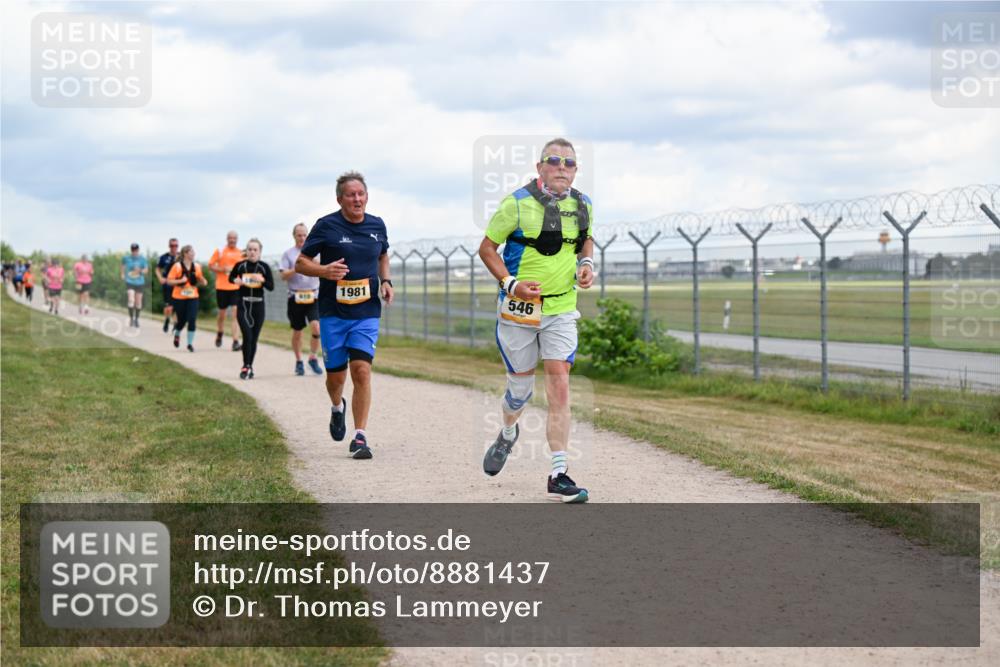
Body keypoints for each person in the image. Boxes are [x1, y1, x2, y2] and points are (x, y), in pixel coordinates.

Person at [477, 137, 595, 503]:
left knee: (559, 384)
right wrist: (511, 284)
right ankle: (508, 432)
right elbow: (487, 248)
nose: (562, 167)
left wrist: (586, 263)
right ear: (540, 166)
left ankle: (558, 473)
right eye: (554, 160)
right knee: (520, 393)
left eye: (569, 163)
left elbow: (585, 239)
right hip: (519, 311)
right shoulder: (515, 203)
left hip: (561, 308)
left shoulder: (583, 204)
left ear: (576, 170)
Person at [295, 171, 393, 460]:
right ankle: (337, 407)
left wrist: (386, 281)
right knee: (336, 378)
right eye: (351, 195)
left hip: (366, 312)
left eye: (361, 194)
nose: (357, 199)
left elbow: (383, 255)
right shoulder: (326, 226)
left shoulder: (377, 225)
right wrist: (324, 271)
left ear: (367, 196)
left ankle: (360, 436)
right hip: (333, 313)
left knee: (361, 370)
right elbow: (301, 263)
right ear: (340, 199)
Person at [279, 223, 324, 376]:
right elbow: (283, 276)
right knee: (297, 331)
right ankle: (299, 361)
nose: (302, 238)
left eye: (305, 235)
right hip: (295, 297)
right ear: (294, 236)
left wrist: (316, 265)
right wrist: (297, 267)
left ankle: (313, 357)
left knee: (316, 327)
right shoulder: (288, 254)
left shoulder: (316, 253)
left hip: (313, 296)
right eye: (299, 235)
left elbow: (324, 270)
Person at [229, 238, 275, 379]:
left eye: (255, 250)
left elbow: (271, 287)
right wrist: (236, 280)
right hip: (243, 303)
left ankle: (249, 366)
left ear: (260, 252)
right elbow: (231, 277)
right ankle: (245, 366)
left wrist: (262, 280)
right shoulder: (240, 266)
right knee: (247, 336)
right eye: (249, 249)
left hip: (258, 306)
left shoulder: (264, 267)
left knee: (253, 338)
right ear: (246, 251)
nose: (252, 252)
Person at [166, 245, 207, 352]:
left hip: (193, 296)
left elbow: (200, 278)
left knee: (192, 319)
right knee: (182, 320)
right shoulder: (177, 266)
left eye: (193, 252)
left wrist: (203, 281)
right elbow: (169, 281)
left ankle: (189, 344)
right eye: (191, 252)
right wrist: (180, 281)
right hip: (179, 297)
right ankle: (177, 334)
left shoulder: (197, 266)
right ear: (185, 254)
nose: (193, 254)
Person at [209, 231, 244, 351]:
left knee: (235, 313)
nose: (232, 240)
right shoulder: (220, 251)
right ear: (227, 239)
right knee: (222, 314)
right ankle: (220, 332)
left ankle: (235, 341)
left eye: (234, 238)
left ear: (237, 239)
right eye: (230, 238)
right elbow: (211, 265)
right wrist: (222, 269)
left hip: (235, 287)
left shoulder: (241, 253)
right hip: (222, 287)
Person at [121, 243, 148, 327]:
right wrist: (122, 274)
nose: (134, 251)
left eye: (136, 250)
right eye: (133, 250)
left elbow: (146, 270)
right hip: (130, 281)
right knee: (131, 299)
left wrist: (140, 271)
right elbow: (122, 265)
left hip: (140, 282)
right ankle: (131, 319)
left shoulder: (142, 259)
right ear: (131, 250)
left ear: (138, 250)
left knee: (138, 302)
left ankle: (136, 319)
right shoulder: (126, 258)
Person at [156, 238, 180, 333]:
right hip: (167, 285)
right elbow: (157, 269)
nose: (174, 247)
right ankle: (167, 319)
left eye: (176, 245)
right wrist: (160, 278)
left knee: (177, 306)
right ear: (169, 246)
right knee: (169, 308)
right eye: (172, 245)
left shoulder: (181, 257)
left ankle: (175, 325)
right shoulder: (164, 257)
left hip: (178, 284)